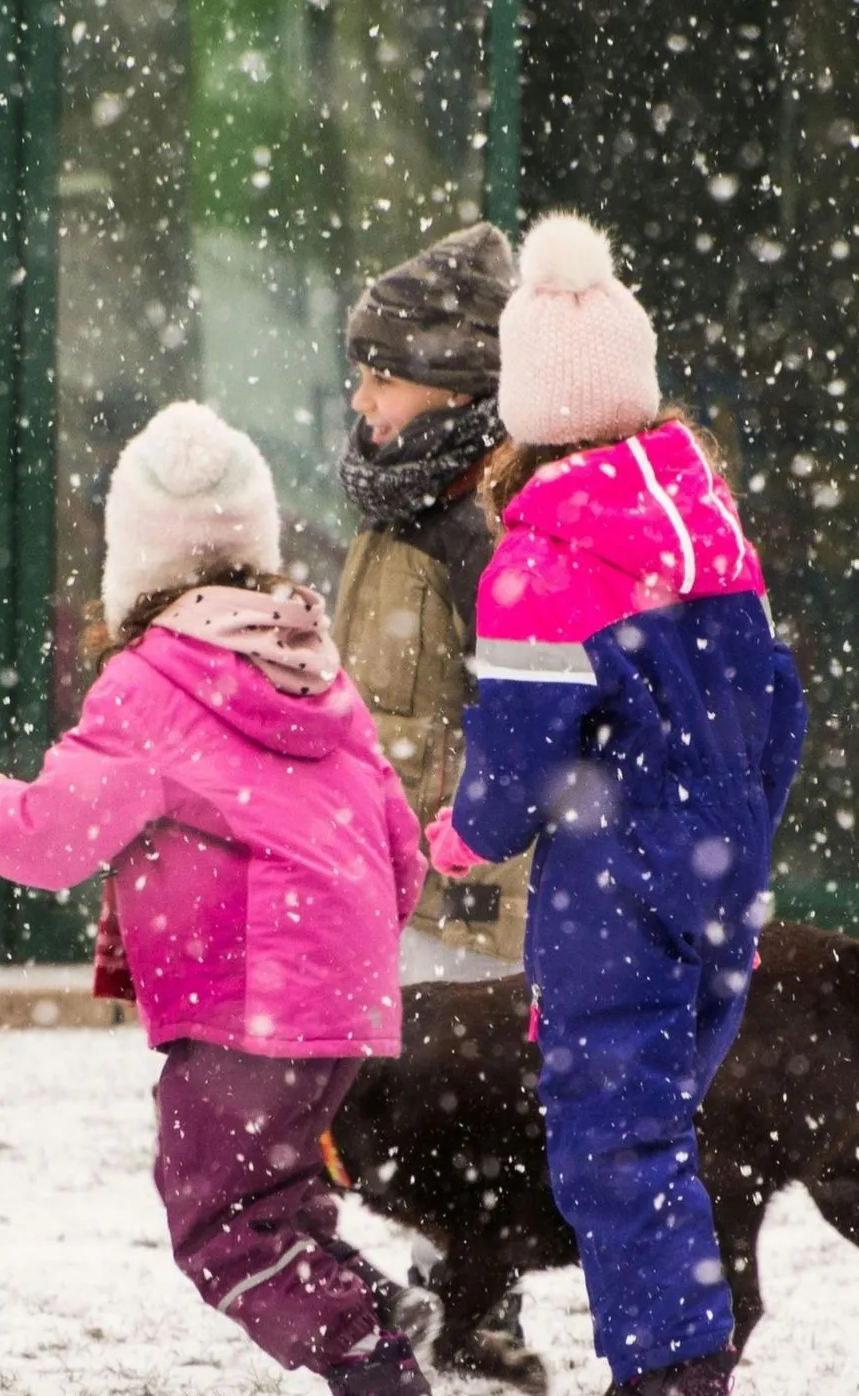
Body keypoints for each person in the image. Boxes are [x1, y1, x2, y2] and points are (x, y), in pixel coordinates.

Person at [0, 403, 445, 1396]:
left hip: (244, 993)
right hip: (337, 986)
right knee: (274, 1193)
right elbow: (394, 834)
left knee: (214, 1216)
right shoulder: (316, 669)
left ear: (133, 564)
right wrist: (351, 952)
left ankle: (376, 1373)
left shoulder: (145, 685)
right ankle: (369, 1313)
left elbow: (49, 835)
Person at [429, 214, 804, 1396]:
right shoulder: (715, 533)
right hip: (720, 877)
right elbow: (782, 715)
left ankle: (676, 1390)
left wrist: (468, 836)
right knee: (663, 1124)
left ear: (527, 408)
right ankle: (677, 1366)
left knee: (612, 1132)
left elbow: (520, 746)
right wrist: (737, 828)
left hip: (617, 885)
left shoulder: (541, 558)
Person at [334, 222, 528, 985]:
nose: (360, 399)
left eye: (382, 377)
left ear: (453, 387)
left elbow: (518, 734)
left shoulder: (481, 525)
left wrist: (470, 882)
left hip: (458, 921)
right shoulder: (400, 499)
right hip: (387, 888)